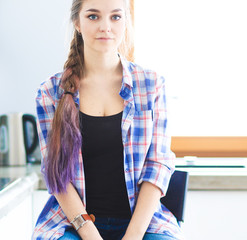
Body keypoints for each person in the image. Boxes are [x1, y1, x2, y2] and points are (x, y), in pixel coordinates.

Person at [33, 0, 182, 239]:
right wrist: (89, 233)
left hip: (143, 224)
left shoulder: (151, 85)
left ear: (126, 22)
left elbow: (158, 165)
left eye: (115, 17)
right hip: (73, 224)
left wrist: (132, 236)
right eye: (93, 17)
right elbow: (55, 173)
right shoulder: (50, 92)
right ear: (77, 23)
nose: (106, 26)